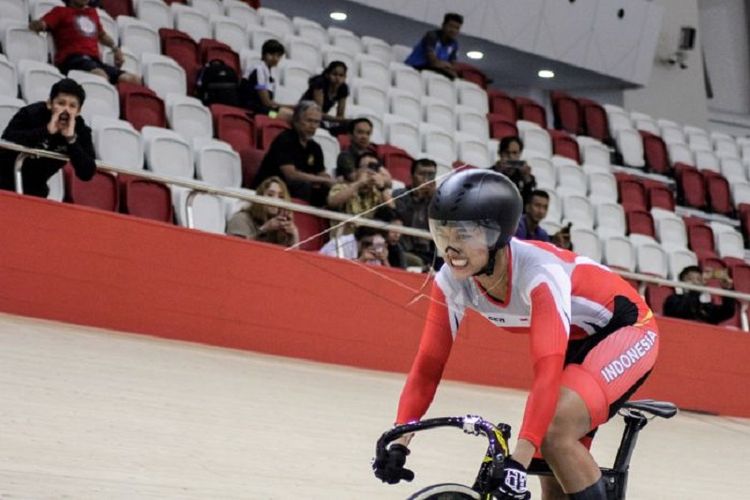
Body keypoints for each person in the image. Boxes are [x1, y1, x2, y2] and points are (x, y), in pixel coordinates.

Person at [373, 169, 659, 500]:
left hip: (628, 330)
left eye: (463, 236)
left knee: (551, 433)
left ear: (497, 235)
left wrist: (515, 463)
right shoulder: (451, 280)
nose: (450, 250)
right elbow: (428, 367)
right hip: (575, 340)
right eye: (442, 235)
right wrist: (400, 439)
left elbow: (546, 372)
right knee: (544, 463)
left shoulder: (539, 273)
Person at [0, 78, 96, 198]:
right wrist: (46, 131)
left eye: (72, 106)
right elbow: (6, 141)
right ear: (50, 103)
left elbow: (87, 173)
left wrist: (71, 140)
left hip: (36, 189)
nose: (65, 110)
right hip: (4, 181)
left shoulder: (81, 130)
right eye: (61, 103)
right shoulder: (31, 114)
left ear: (78, 111)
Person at [28, 0, 140, 85]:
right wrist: (38, 25)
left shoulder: (92, 13)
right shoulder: (60, 11)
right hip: (72, 59)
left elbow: (102, 35)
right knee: (99, 75)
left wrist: (116, 49)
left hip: (94, 61)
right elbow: (42, 24)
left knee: (133, 80)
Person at [250, 101, 334, 207]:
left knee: (330, 190)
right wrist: (322, 179)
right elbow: (291, 175)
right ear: (296, 121)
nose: (313, 126)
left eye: (316, 122)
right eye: (309, 121)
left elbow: (321, 173)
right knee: (303, 185)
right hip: (272, 187)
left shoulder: (315, 147)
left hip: (296, 189)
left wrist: (332, 182)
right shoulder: (285, 140)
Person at [226, 176, 299, 247]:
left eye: (281, 197)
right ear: (259, 197)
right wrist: (264, 229)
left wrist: (294, 235)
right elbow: (236, 248)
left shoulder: (282, 227)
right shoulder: (240, 218)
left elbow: (293, 257)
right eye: (270, 195)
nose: (276, 201)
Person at [393, 158, 438, 269]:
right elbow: (403, 220)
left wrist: (436, 200)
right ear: (412, 176)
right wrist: (417, 199)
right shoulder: (400, 195)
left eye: (431, 175)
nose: (426, 179)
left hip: (429, 252)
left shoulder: (436, 199)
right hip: (405, 249)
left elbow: (444, 225)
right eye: (422, 174)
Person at [240, 39, 293, 121]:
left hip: (262, 109)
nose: (275, 58)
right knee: (287, 116)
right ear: (264, 54)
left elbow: (270, 102)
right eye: (271, 54)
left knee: (293, 113)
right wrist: (288, 106)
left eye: (278, 56)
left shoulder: (268, 71)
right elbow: (267, 102)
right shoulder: (259, 70)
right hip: (254, 111)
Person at [327, 151, 391, 218]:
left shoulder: (376, 192)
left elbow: (392, 211)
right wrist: (359, 183)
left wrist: (382, 188)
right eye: (366, 168)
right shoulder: (343, 187)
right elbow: (332, 202)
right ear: (356, 171)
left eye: (374, 168)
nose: (370, 172)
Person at [663, 265, 736, 325]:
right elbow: (685, 310)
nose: (695, 282)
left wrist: (728, 289)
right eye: (690, 279)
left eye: (698, 279)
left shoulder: (706, 308)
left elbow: (728, 311)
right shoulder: (673, 300)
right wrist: (695, 290)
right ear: (681, 282)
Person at [404, 13, 463, 80]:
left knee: (456, 77)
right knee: (450, 76)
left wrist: (446, 65)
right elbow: (433, 62)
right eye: (451, 26)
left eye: (457, 28)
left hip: (434, 69)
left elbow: (453, 66)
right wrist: (446, 65)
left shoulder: (454, 44)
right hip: (416, 66)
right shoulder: (432, 36)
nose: (453, 30)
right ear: (443, 25)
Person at [336, 118, 391, 186]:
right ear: (350, 135)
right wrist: (376, 175)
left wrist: (380, 178)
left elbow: (389, 181)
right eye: (360, 132)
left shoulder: (373, 155)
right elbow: (354, 178)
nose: (364, 137)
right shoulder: (345, 156)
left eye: (368, 133)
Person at [300, 61, 350, 134]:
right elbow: (318, 112)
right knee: (320, 126)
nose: (337, 78)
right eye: (334, 74)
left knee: (350, 128)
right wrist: (340, 120)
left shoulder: (343, 88)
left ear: (345, 77)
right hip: (306, 114)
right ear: (327, 74)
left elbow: (340, 115)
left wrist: (344, 122)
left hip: (321, 119)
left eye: (341, 75)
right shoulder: (320, 83)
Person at [492, 136, 536, 203]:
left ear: (520, 154)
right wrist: (498, 173)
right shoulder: (488, 174)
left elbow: (529, 203)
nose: (511, 156)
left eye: (514, 153)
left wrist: (527, 179)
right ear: (500, 153)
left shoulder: (526, 177)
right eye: (506, 152)